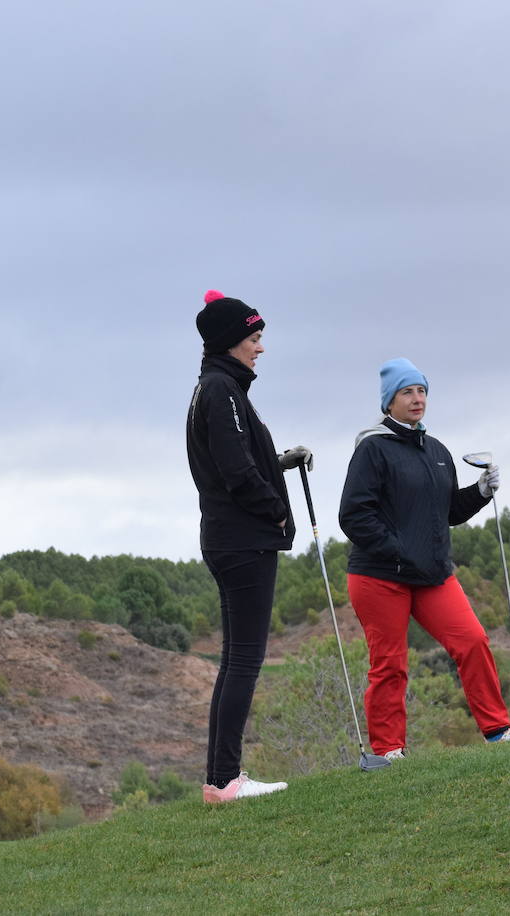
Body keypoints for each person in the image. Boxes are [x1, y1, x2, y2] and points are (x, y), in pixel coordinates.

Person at [338, 357, 510, 760]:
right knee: (390, 664)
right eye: (407, 392)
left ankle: (497, 729)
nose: (417, 398)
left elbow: (449, 511)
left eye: (421, 390)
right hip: (380, 576)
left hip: (433, 574)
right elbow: (354, 515)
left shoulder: (436, 450)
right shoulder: (373, 448)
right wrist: (399, 551)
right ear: (389, 401)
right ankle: (389, 749)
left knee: (472, 640)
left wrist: (481, 490)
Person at [187, 290, 312, 801]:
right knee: (244, 660)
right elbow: (237, 474)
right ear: (230, 342)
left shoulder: (221, 389)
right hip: (243, 541)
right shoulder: (222, 391)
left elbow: (239, 456)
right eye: (254, 339)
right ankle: (226, 779)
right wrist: (277, 509)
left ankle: (220, 780)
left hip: (230, 539)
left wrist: (282, 461)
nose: (260, 348)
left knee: (234, 659)